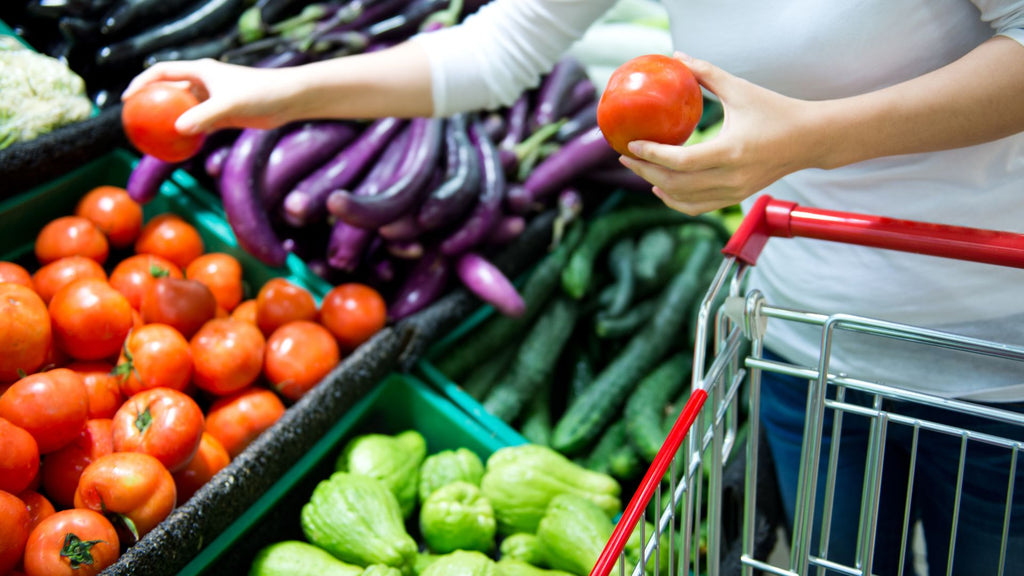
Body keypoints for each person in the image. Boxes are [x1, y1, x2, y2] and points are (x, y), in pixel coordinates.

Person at [124, 0, 1024, 573]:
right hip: (803, 333)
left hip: (993, 340)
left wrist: (812, 137)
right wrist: (260, 93)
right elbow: (495, 50)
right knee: (834, 563)